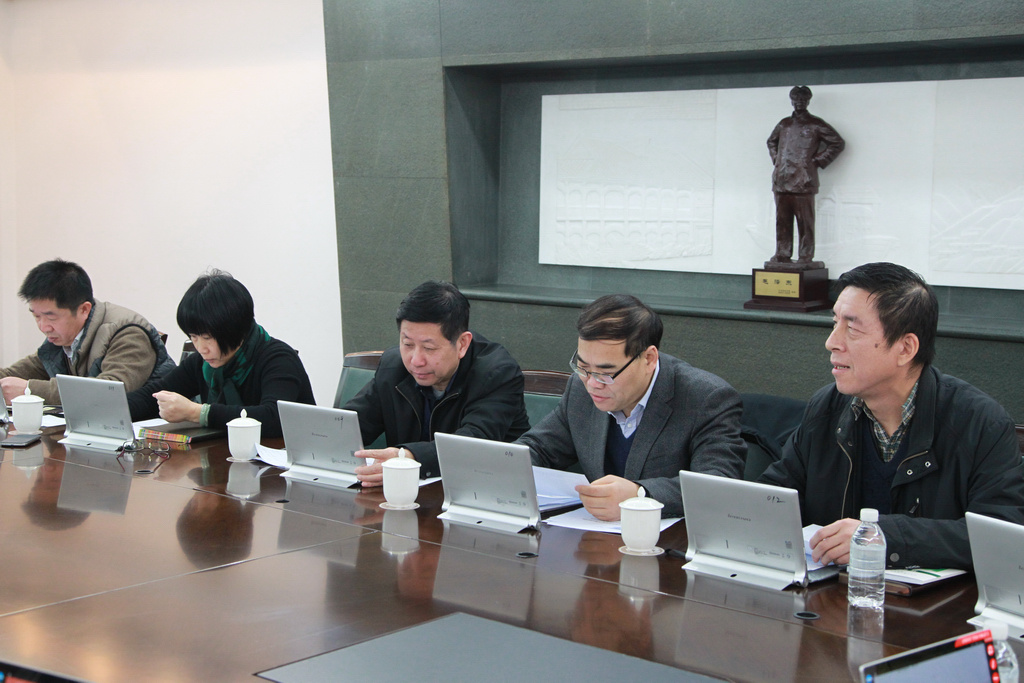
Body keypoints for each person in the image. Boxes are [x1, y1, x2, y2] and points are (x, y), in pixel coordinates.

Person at [760, 262, 1024, 570]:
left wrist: (883, 537)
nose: (832, 342)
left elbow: (1002, 538)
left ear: (905, 348)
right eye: (834, 323)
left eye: (852, 328)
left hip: (936, 600)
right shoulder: (826, 409)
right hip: (832, 593)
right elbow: (774, 498)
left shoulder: (980, 424)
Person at [517, 294, 746, 521]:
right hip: (593, 533)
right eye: (583, 366)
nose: (593, 383)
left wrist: (640, 495)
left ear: (648, 359)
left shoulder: (705, 398)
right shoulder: (580, 387)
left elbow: (718, 484)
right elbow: (538, 448)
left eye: (606, 373)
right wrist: (507, 468)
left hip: (672, 538)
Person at [345, 281, 531, 486]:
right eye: (407, 344)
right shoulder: (394, 367)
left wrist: (407, 457)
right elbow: (350, 426)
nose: (416, 360)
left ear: (462, 344)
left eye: (429, 348)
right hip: (408, 492)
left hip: (487, 488)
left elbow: (473, 444)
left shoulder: (497, 374)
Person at [127, 270, 314, 438]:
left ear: (236, 330)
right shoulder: (201, 363)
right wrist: (114, 407)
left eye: (208, 337)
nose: (201, 348)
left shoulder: (279, 359)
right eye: (193, 337)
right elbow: (152, 396)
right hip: (224, 457)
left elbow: (274, 417)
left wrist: (198, 413)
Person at [1, 259, 175, 405]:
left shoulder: (128, 333)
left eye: (51, 317)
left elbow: (111, 392)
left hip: (150, 430)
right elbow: (15, 374)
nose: (43, 327)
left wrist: (29, 390)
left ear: (84, 309)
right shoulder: (62, 339)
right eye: (36, 316)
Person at [766, 85, 845, 265]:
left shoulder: (816, 124)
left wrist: (816, 161)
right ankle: (782, 253)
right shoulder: (784, 124)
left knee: (805, 222)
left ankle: (805, 255)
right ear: (792, 101)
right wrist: (777, 160)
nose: (799, 103)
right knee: (782, 221)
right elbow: (771, 142)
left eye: (803, 100)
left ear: (808, 101)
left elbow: (837, 143)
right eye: (796, 100)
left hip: (803, 181)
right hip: (781, 180)